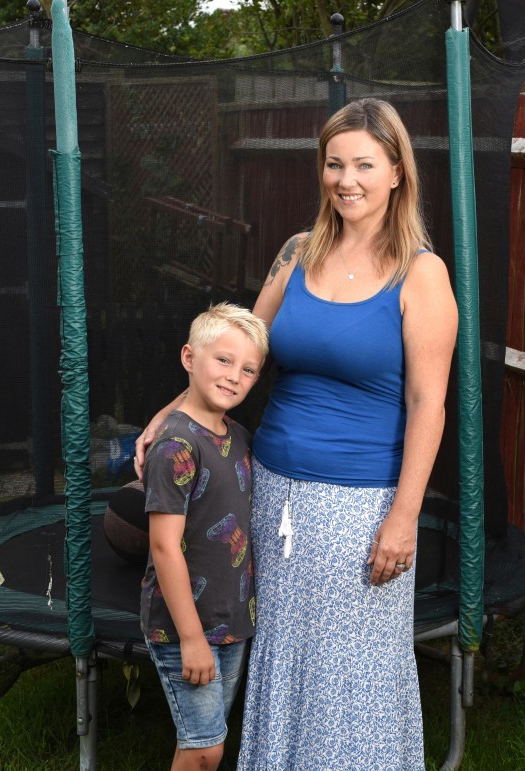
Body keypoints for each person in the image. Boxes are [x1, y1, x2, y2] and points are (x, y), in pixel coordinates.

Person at [136, 98, 458, 769]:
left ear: (397, 171)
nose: (347, 179)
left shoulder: (421, 275)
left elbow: (430, 404)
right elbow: (242, 349)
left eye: (364, 164)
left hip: (361, 503)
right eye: (335, 164)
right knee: (284, 658)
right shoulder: (298, 252)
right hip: (275, 493)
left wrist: (404, 516)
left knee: (355, 670)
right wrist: (173, 414)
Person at [140, 301, 269, 771]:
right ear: (189, 358)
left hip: (231, 619)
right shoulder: (176, 445)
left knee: (204, 738)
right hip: (184, 627)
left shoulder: (238, 434)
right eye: (223, 360)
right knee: (205, 750)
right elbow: (163, 546)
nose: (235, 376)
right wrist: (192, 639)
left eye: (249, 369)